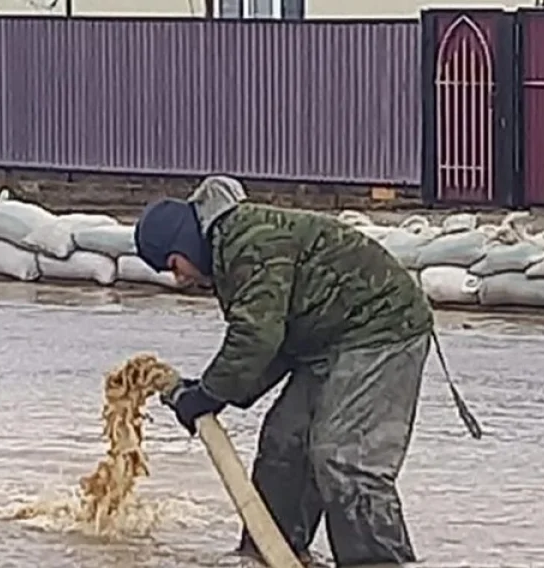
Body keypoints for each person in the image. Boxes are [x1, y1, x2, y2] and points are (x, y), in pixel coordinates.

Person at [133, 176, 434, 566]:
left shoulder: (246, 240)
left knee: (343, 458)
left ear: (183, 242)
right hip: (325, 341)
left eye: (174, 265)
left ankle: (377, 562)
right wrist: (211, 392)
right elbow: (273, 345)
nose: (180, 278)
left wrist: (208, 395)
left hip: (382, 329)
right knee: (285, 442)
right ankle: (270, 554)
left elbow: (256, 336)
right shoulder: (229, 250)